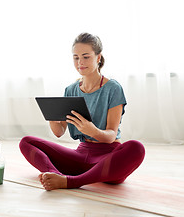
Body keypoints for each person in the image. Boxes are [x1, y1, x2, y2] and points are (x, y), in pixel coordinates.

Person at [19, 32, 145, 191]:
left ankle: (71, 181)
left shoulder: (113, 88)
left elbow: (111, 135)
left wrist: (92, 131)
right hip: (80, 156)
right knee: (26, 142)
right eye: (76, 57)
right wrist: (52, 117)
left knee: (136, 147)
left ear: (98, 58)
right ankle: (55, 175)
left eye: (86, 57)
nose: (80, 62)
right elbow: (59, 132)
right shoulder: (70, 90)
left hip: (107, 159)